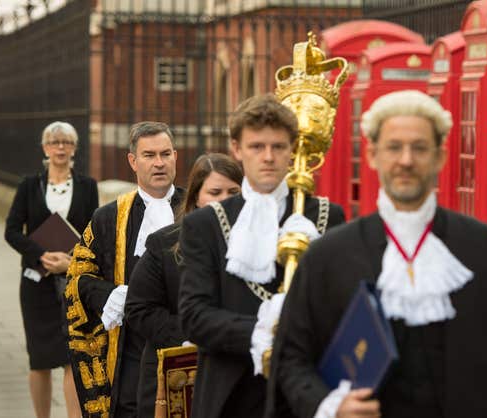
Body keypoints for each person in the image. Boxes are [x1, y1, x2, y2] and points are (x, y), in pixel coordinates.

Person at [266, 90, 487, 418]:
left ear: (439, 156)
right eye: (394, 147)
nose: (406, 160)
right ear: (372, 155)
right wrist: (330, 406)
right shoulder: (328, 255)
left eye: (419, 148)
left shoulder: (483, 248)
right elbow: (290, 360)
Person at [178, 94, 346, 418]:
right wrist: (262, 329)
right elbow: (194, 316)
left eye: (278, 146)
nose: (268, 157)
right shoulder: (206, 224)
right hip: (232, 394)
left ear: (293, 149)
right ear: (237, 149)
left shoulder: (326, 216)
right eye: (256, 147)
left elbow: (343, 309)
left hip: (307, 393)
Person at [64, 121, 184, 418]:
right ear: (133, 161)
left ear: (175, 157)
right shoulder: (108, 217)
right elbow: (78, 276)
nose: (159, 163)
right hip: (130, 347)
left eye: (165, 154)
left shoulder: (196, 208)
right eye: (149, 155)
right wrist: (110, 295)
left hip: (185, 340)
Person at [125, 153, 243, 418]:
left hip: (235, 375)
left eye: (233, 191)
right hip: (176, 375)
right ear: (196, 198)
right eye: (215, 192)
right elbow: (139, 309)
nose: (224, 199)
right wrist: (201, 332)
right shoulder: (164, 244)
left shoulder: (258, 245)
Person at [5, 121, 98, 418]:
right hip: (36, 284)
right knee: (40, 359)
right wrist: (42, 254)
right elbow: (11, 231)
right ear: (45, 148)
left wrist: (71, 261)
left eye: (66, 142)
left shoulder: (88, 186)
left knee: (72, 356)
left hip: (73, 281)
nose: (60, 147)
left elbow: (92, 232)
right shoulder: (28, 186)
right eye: (54, 142)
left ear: (74, 148)